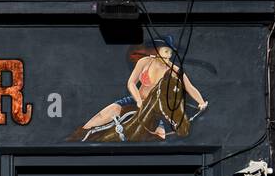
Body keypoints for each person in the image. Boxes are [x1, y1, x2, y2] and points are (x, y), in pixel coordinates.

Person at [70, 35, 208, 142]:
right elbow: (131, 83)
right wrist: (138, 100)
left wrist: (201, 102)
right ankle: (80, 137)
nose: (168, 54)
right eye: (165, 50)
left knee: (160, 137)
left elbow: (189, 87)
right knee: (103, 115)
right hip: (135, 101)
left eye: (170, 51)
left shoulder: (175, 71)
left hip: (154, 110)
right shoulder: (145, 62)